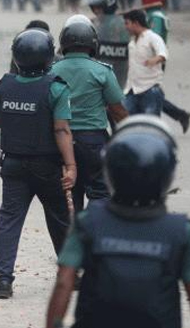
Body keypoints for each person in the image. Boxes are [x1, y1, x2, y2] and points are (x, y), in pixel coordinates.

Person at [46, 115, 188, 328]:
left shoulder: (89, 222)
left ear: (110, 171)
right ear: (167, 174)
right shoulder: (179, 230)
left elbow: (64, 281)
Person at [0, 28, 76, 299]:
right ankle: (70, 275)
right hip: (47, 166)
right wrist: (71, 166)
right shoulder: (56, 87)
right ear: (50, 57)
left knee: (10, 221)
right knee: (59, 220)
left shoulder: (5, 84)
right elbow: (62, 130)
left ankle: (4, 280)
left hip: (12, 166)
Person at [51, 15, 128, 212]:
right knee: (100, 192)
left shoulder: (51, 71)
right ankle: (94, 232)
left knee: (70, 194)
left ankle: (75, 237)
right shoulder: (102, 71)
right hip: (94, 141)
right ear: (93, 44)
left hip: (60, 141)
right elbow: (117, 110)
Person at [141, 0, 189, 132]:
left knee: (147, 92)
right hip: (157, 58)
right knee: (149, 92)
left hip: (154, 59)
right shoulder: (156, 14)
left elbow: (153, 38)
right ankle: (179, 114)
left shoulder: (155, 17)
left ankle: (169, 118)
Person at [122, 9, 167, 117]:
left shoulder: (153, 38)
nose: (126, 27)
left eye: (127, 23)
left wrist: (153, 60)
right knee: (125, 119)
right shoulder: (132, 43)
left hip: (150, 90)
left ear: (136, 23)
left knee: (150, 124)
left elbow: (163, 54)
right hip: (132, 90)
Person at [82, 0, 129, 89]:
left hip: (115, 73)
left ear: (108, 7)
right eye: (93, 8)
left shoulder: (114, 24)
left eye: (98, 8)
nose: (95, 11)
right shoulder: (102, 23)